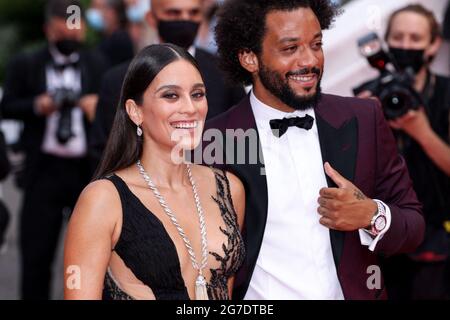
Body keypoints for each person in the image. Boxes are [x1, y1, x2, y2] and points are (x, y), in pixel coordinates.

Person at [201, 0, 425, 300]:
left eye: (316, 44)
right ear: (249, 59)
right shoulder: (212, 141)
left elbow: (414, 226)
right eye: (290, 48)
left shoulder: (364, 118)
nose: (310, 60)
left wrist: (371, 215)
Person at [64, 44, 245, 300]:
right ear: (135, 111)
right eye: (171, 96)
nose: (190, 108)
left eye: (197, 94)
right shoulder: (103, 200)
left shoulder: (229, 188)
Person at [0, 0, 108, 299]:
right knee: (36, 256)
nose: (71, 38)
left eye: (76, 33)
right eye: (64, 32)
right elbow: (7, 105)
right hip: (43, 170)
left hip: (85, 172)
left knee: (91, 258)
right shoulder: (27, 63)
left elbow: (116, 114)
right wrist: (37, 105)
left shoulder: (97, 64)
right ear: (48, 30)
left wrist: (95, 109)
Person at [356, 4, 450, 299]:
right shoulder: (367, 94)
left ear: (433, 44)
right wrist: (362, 121)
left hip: (440, 241)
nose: (406, 46)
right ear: (386, 41)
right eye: (398, 37)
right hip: (385, 238)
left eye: (415, 38)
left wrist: (421, 131)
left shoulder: (446, 92)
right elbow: (353, 170)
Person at [88, 0, 246, 173]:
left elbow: (240, 142)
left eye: (193, 13)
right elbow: (104, 152)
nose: (185, 20)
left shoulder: (224, 73)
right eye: (174, 13)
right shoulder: (118, 79)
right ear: (151, 18)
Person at [86, 0, 135, 67]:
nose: (103, 15)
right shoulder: (105, 36)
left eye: (106, 10)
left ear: (115, 14)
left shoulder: (120, 39)